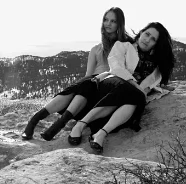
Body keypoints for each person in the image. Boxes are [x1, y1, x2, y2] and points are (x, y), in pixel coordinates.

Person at [21, 6, 133, 141]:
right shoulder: (96, 49)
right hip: (91, 88)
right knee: (86, 83)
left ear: (119, 24)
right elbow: (88, 74)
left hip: (110, 89)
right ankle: (35, 120)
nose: (108, 23)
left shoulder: (126, 45)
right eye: (106, 20)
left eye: (113, 21)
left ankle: (57, 123)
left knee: (87, 84)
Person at [68, 21, 175, 154]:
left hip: (129, 97)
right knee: (131, 93)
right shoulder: (123, 46)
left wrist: (157, 88)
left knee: (134, 99)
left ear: (156, 45)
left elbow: (150, 84)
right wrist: (135, 85)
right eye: (147, 34)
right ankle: (80, 124)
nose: (147, 40)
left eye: (153, 39)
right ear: (141, 32)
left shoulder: (156, 67)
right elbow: (116, 66)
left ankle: (100, 134)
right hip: (111, 85)